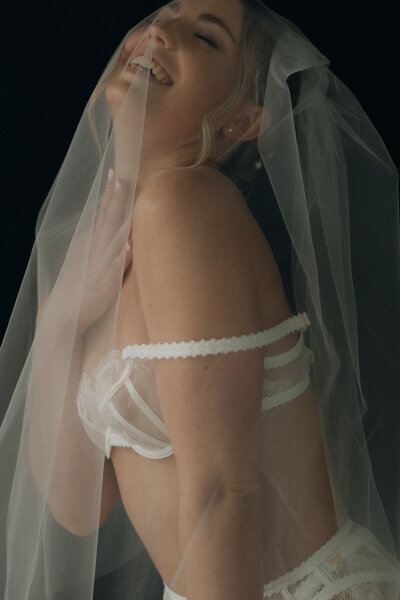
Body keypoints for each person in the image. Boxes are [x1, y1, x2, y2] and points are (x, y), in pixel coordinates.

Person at [0, 0, 399, 599]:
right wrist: (61, 324)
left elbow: (224, 494)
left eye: (205, 37)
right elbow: (78, 507)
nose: (159, 30)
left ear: (244, 119)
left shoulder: (187, 206)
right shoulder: (116, 241)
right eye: (165, 13)